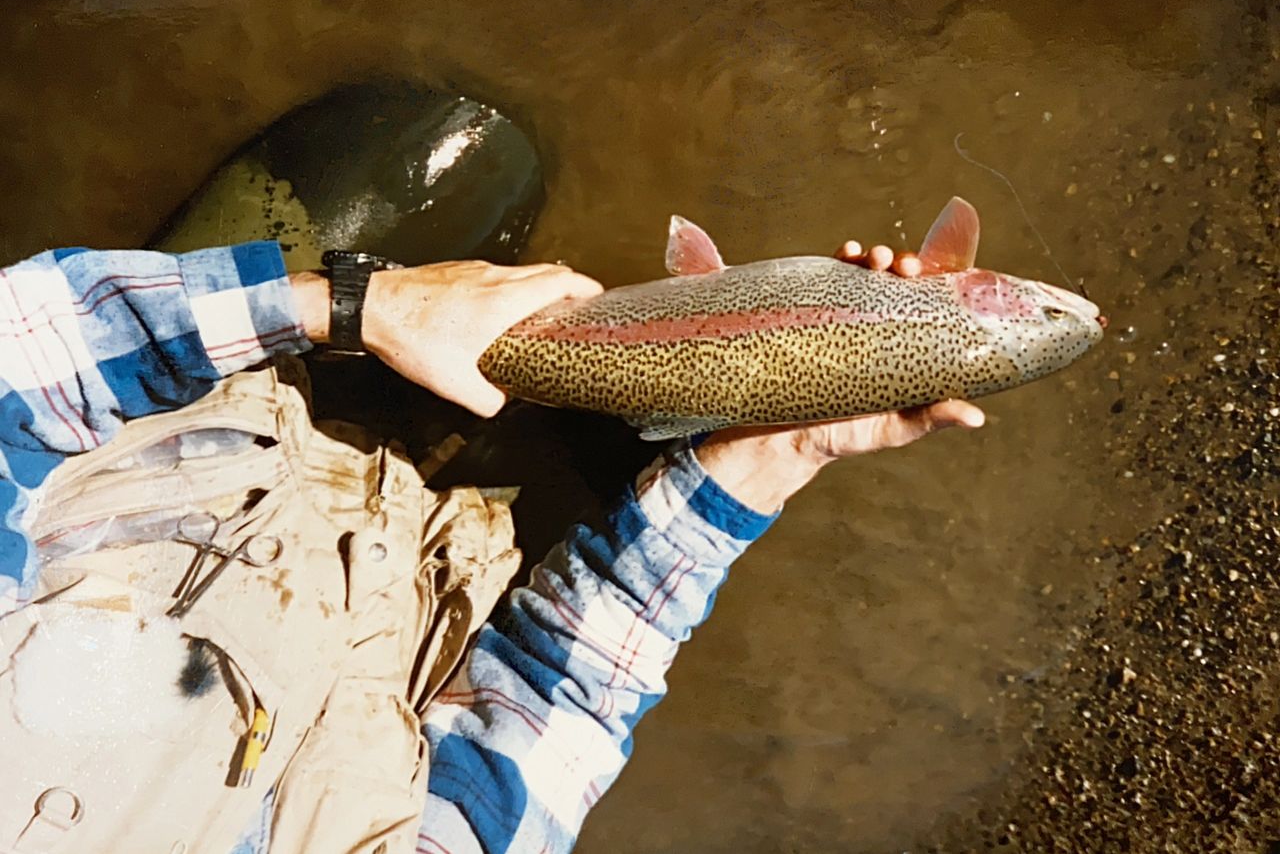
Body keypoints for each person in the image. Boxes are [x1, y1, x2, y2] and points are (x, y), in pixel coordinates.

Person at [0, 237, 982, 854]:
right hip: (453, 567)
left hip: (209, 426)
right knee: (638, 420)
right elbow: (560, 705)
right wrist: (770, 453)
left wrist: (351, 301)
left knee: (446, 143)